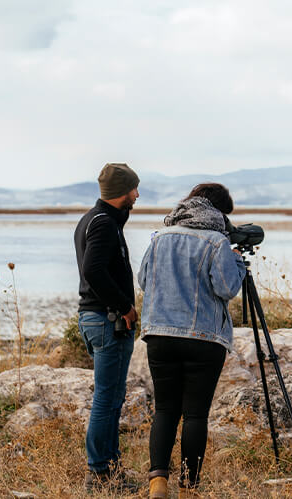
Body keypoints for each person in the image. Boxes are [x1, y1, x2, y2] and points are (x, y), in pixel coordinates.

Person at [137, 183, 247, 499]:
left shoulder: (160, 237)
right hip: (203, 337)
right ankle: (190, 488)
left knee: (165, 409)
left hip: (160, 335)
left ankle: (158, 481)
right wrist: (237, 261)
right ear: (218, 212)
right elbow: (226, 288)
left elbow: (144, 280)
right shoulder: (216, 241)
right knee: (195, 414)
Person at [75, 162, 142, 493]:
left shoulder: (92, 219)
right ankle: (100, 474)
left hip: (95, 319)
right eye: (133, 189)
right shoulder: (103, 224)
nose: (137, 195)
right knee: (107, 397)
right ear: (120, 192)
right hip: (106, 320)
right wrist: (125, 307)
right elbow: (94, 271)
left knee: (112, 396)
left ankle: (109, 469)